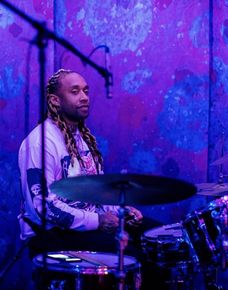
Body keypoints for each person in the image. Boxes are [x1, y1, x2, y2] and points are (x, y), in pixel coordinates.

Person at [18, 68, 160, 289]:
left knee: (155, 237)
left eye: (85, 90)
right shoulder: (40, 143)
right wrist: (99, 222)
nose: (84, 97)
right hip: (51, 235)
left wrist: (120, 212)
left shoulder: (83, 140)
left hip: (85, 226)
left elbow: (96, 196)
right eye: (75, 91)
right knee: (130, 253)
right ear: (55, 101)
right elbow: (43, 208)